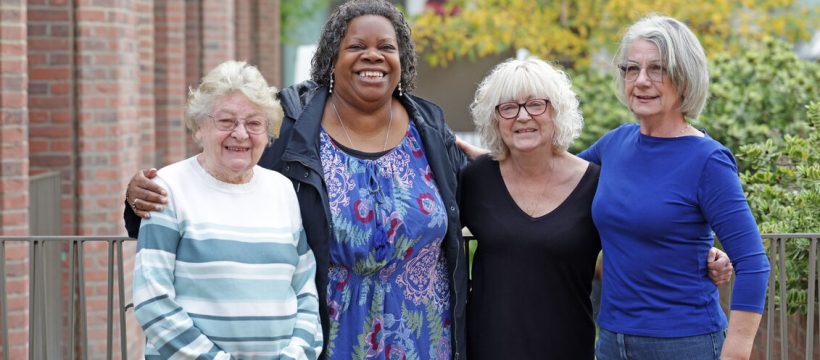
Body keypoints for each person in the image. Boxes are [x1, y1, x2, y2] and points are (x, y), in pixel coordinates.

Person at [124, 1, 468, 359]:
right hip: (330, 337)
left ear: (403, 59)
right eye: (355, 47)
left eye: (386, 47)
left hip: (425, 335)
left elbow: (478, 203)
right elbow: (224, 170)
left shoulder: (429, 128)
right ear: (332, 58)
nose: (372, 56)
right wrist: (142, 196)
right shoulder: (293, 125)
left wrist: (506, 165)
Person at [579, 15, 770, 359]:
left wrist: (736, 353)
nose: (641, 81)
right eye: (631, 69)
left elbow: (754, 263)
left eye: (657, 69)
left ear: (685, 78)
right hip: (611, 341)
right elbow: (551, 174)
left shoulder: (707, 160)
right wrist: (491, 158)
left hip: (685, 344)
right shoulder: (614, 143)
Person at [131, 60, 322, 359]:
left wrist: (296, 355)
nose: (241, 134)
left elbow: (305, 290)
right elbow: (152, 299)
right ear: (199, 127)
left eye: (254, 123)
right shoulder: (168, 188)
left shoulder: (282, 189)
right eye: (226, 121)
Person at [459, 57, 600, 359]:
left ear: (557, 112)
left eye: (536, 104)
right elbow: (430, 238)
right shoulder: (476, 178)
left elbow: (635, 243)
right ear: (494, 119)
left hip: (569, 349)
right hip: (487, 350)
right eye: (508, 108)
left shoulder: (595, 184)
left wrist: (700, 253)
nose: (522, 117)